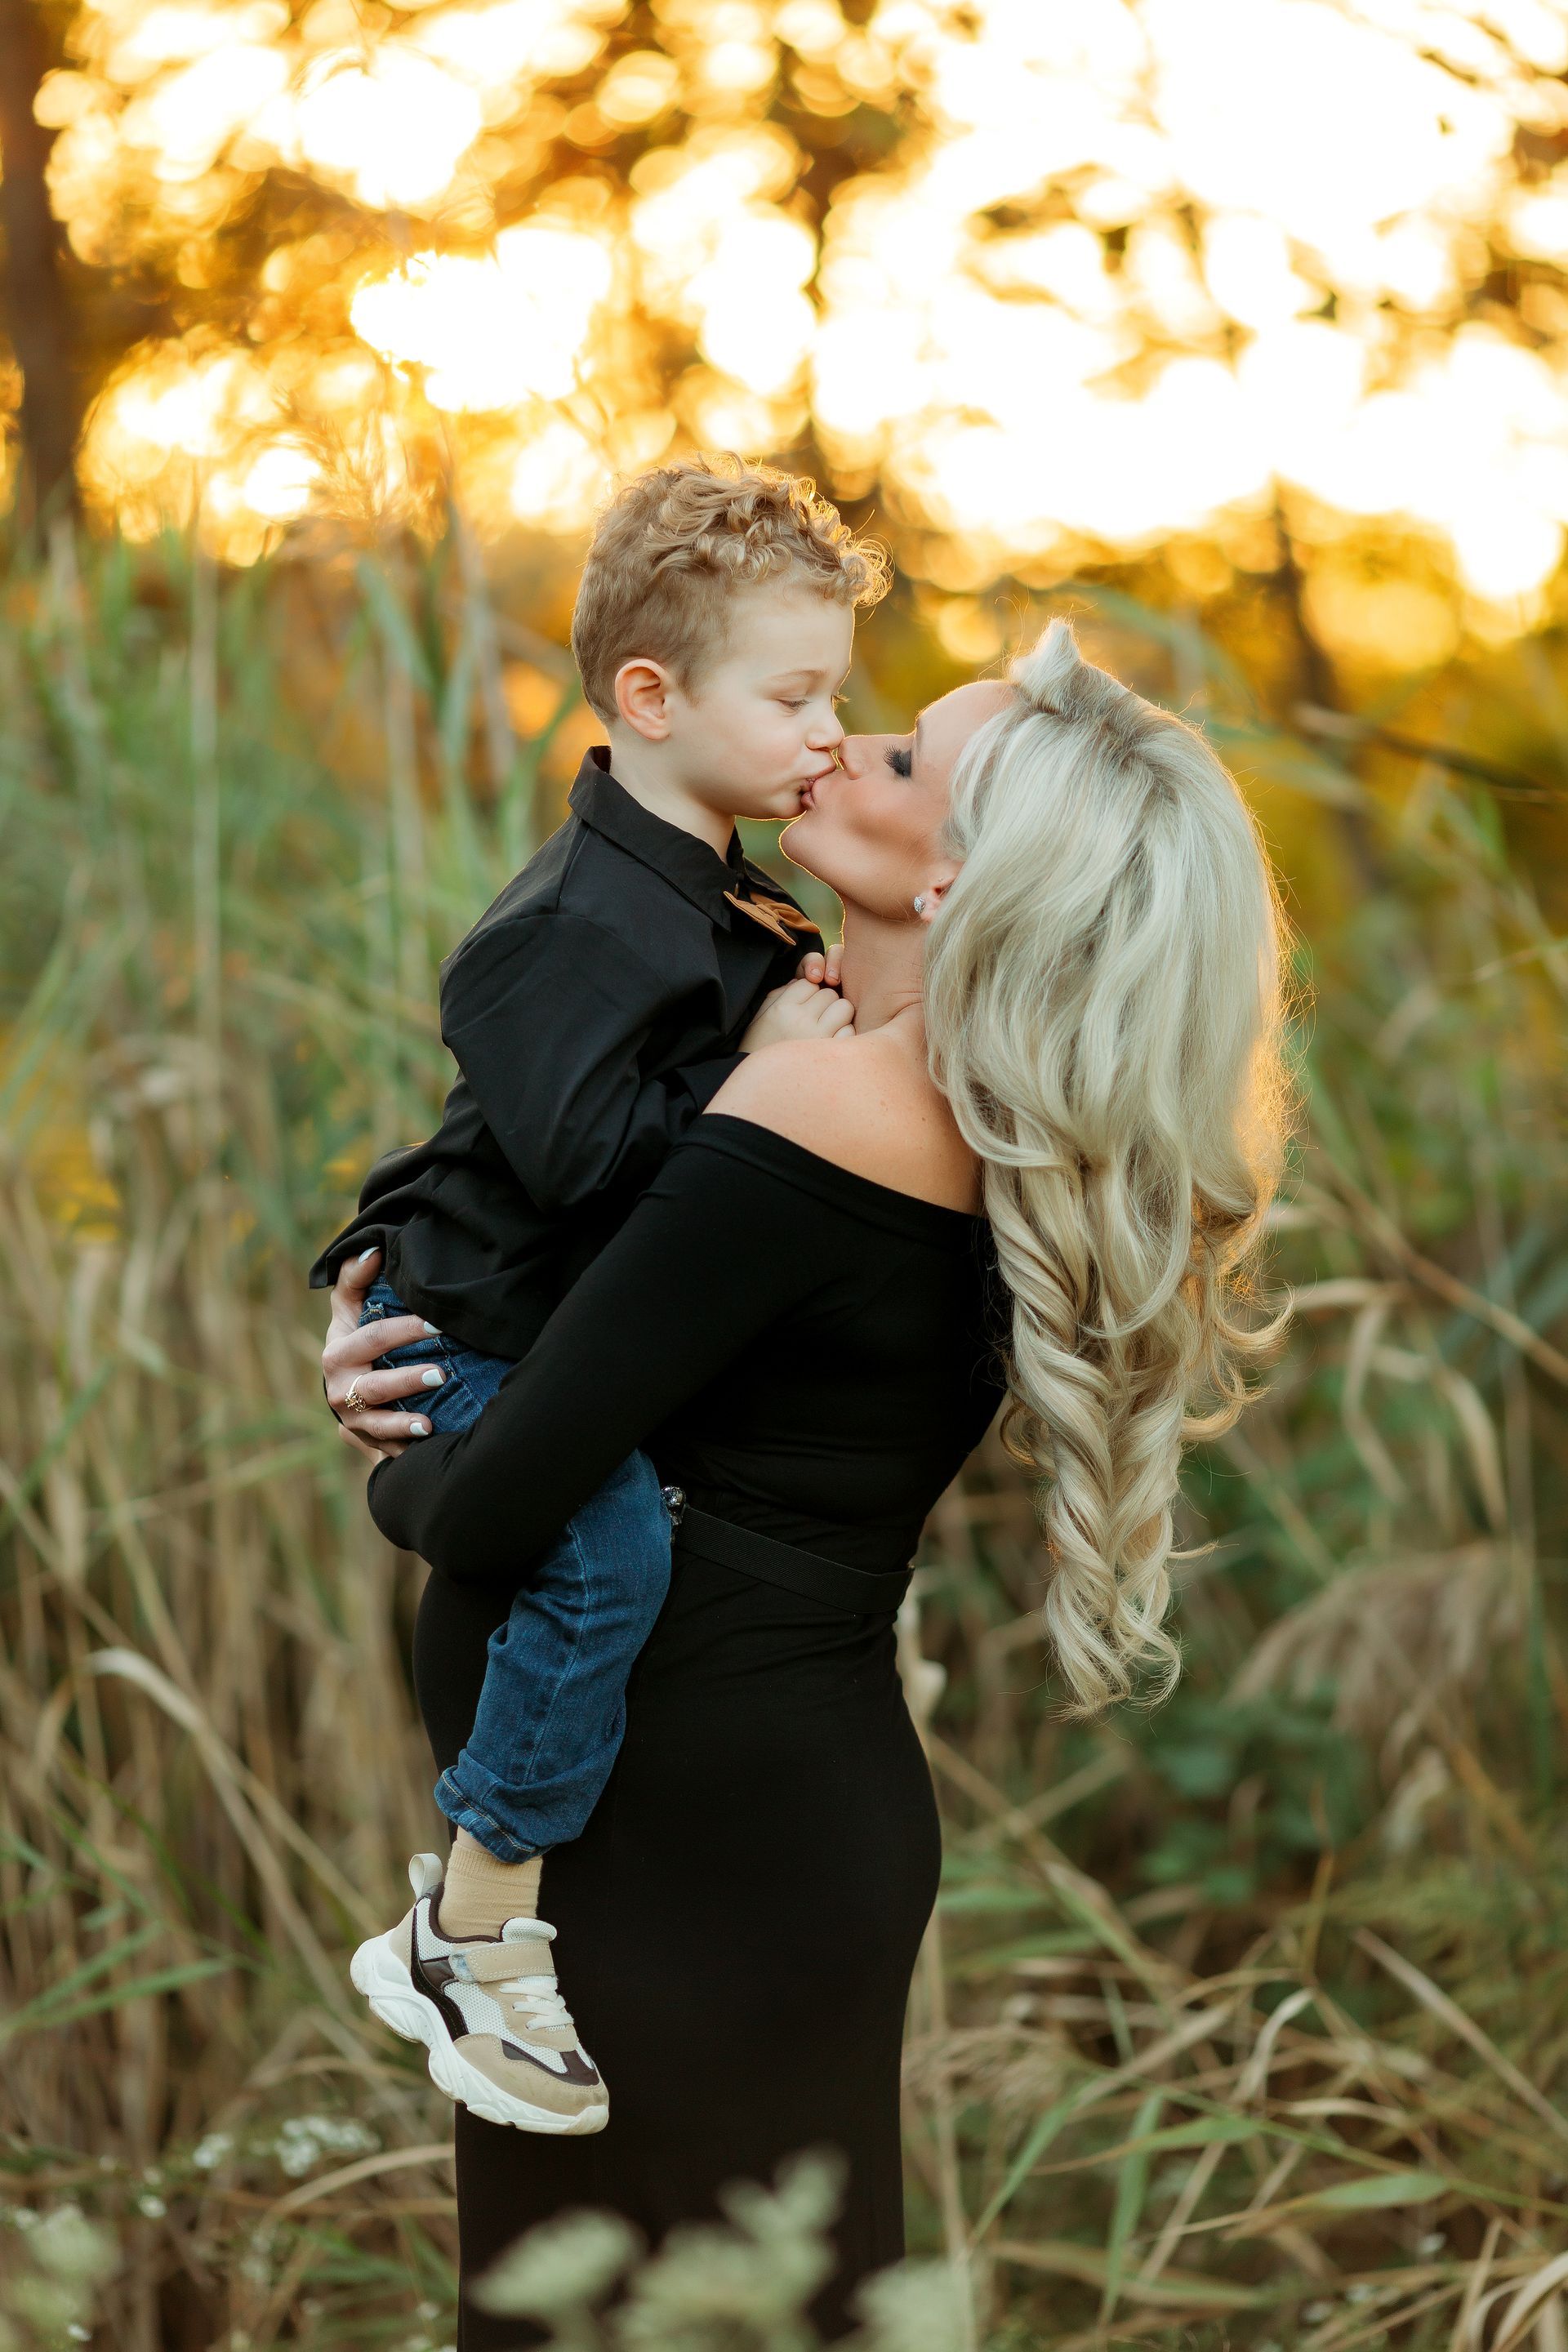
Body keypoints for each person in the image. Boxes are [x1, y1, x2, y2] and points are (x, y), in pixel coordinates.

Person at [323, 620, 1289, 2342]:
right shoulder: (983, 1125)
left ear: (963, 877)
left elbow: (490, 1505)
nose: (842, 746)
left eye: (904, 757)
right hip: (768, 1821)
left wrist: (398, 1428)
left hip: (673, 1850)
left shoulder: (820, 1110)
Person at [310, 457, 888, 2134]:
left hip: (565, 1351)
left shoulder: (724, 896)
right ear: (651, 697)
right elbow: (570, 1167)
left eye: (836, 696)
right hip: (486, 1337)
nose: (830, 733)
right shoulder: (564, 924)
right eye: (795, 696)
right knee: (608, 1545)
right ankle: (472, 1915)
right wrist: (756, 1070)